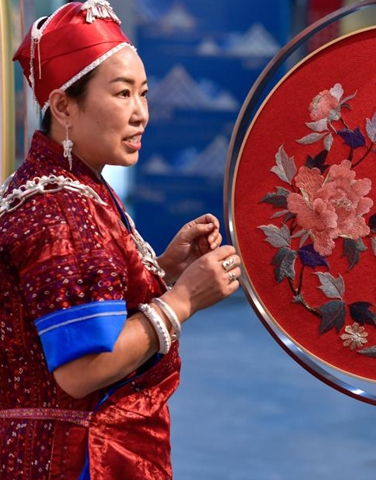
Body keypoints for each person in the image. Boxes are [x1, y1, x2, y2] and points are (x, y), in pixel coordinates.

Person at [0, 1, 241, 478]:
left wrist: (164, 268)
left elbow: (89, 303)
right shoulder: (59, 210)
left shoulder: (73, 187)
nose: (141, 114)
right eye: (122, 93)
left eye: (144, 94)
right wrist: (183, 299)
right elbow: (83, 370)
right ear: (65, 106)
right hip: (75, 459)